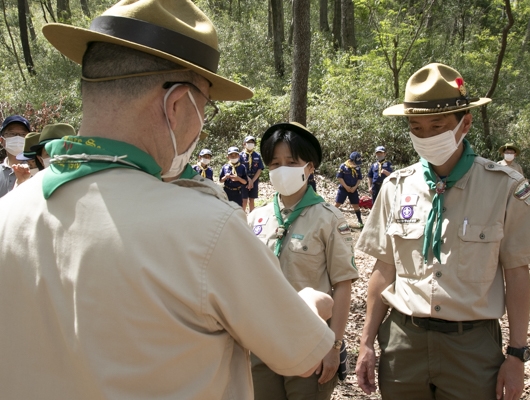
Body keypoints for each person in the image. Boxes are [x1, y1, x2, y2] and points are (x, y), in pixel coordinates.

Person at [0, 1, 337, 399]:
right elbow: (300, 354)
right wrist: (310, 304)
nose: (202, 129)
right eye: (206, 107)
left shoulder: (10, 212)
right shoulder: (206, 229)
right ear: (177, 104)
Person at [354, 63, 530, 400]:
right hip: (404, 343)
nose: (426, 136)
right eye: (416, 127)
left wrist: (516, 355)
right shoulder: (395, 186)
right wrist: (366, 343)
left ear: (466, 123)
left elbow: (517, 274)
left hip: (471, 347)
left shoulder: (503, 187)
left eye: (437, 125)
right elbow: (384, 269)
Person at [247, 122, 359, 400]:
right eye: (274, 163)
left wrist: (334, 346)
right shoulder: (256, 219)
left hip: (310, 345)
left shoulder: (329, 218)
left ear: (310, 167)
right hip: (261, 345)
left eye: (291, 162)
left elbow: (343, 284)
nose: (282, 169)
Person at [0, 115, 31, 197]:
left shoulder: (36, 171)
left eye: (23, 134)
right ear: (2, 140)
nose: (17, 137)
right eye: (12, 134)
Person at [335, 151, 364, 228]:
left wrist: (355, 187)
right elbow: (339, 177)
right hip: (343, 188)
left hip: (353, 189)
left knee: (356, 205)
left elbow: (359, 178)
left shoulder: (357, 168)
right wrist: (346, 187)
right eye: (355, 162)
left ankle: (360, 221)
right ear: (351, 160)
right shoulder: (343, 166)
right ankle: (330, 219)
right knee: (338, 203)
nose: (356, 164)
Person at [240, 135, 264, 212]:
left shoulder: (257, 155)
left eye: (252, 142)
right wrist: (247, 179)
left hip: (254, 179)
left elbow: (259, 169)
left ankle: (251, 217)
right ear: (244, 144)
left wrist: (252, 181)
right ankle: (242, 218)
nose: (250, 144)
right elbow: (239, 169)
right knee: (244, 200)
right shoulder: (240, 156)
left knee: (252, 199)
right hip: (243, 180)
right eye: (248, 142)